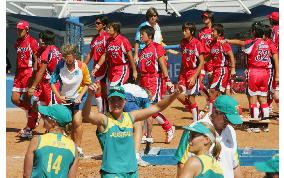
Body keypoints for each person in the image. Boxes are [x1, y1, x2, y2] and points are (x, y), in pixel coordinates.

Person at [82, 84, 181, 177]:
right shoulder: (104, 120)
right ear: (108, 102)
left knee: (138, 124)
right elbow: (86, 115)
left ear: (125, 101)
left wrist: (175, 94)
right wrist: (90, 96)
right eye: (112, 100)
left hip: (131, 171)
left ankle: (136, 155)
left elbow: (157, 107)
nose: (116, 103)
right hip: (112, 172)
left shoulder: (130, 117)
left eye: (119, 100)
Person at [175, 95, 243, 178]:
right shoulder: (194, 130)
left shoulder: (231, 131)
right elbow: (182, 164)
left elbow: (235, 165)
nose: (228, 123)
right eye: (226, 119)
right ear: (216, 112)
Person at [222, 22, 279, 121]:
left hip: (254, 72)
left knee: (253, 100)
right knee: (263, 99)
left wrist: (227, 40)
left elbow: (241, 43)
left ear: (254, 32)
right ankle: (265, 124)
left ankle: (254, 125)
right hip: (264, 73)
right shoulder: (267, 43)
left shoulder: (253, 42)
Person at [50, 44, 92, 157]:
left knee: (77, 122)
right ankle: (65, 147)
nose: (66, 60)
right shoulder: (59, 66)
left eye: (68, 56)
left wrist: (80, 96)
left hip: (78, 98)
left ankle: (78, 148)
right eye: (64, 57)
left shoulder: (82, 66)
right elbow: (52, 82)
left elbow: (87, 83)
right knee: (62, 124)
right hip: (64, 99)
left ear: (74, 55)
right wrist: (59, 96)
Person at [138, 25, 175, 144]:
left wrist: (168, 80)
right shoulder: (142, 51)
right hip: (144, 80)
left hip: (154, 79)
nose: (140, 36)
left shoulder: (156, 47)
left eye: (142, 34)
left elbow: (162, 64)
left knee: (151, 109)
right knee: (146, 109)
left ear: (149, 36)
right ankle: (146, 134)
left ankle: (168, 128)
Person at [23, 104, 78, 178]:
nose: (42, 117)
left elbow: (26, 175)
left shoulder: (37, 141)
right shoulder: (73, 147)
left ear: (53, 122)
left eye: (45, 116)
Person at [12, 20, 40, 139]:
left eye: (21, 29)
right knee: (15, 99)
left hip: (28, 72)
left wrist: (34, 75)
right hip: (19, 73)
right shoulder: (18, 42)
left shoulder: (32, 42)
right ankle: (35, 114)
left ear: (27, 30)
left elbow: (36, 60)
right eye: (18, 29)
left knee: (27, 99)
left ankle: (29, 127)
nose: (19, 31)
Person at [27, 30, 62, 114]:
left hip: (50, 84)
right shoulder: (56, 49)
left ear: (46, 39)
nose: (40, 40)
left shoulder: (46, 52)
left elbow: (41, 71)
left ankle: (61, 125)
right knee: (42, 107)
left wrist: (33, 86)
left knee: (53, 110)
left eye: (42, 38)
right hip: (52, 82)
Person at [176, 22, 205, 122]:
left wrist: (194, 77)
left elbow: (201, 62)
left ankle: (196, 121)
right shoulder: (183, 42)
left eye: (186, 30)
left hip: (193, 72)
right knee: (177, 94)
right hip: (183, 72)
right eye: (183, 30)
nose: (183, 32)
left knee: (191, 99)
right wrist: (180, 75)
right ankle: (197, 113)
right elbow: (182, 58)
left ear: (192, 31)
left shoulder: (197, 43)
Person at [94, 22, 137, 87]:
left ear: (116, 29)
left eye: (109, 28)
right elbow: (105, 55)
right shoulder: (108, 41)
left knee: (115, 88)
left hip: (121, 68)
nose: (107, 29)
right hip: (112, 69)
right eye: (107, 28)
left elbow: (130, 56)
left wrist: (134, 71)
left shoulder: (123, 40)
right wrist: (97, 67)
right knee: (116, 91)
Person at [207, 24, 236, 114]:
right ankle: (230, 111)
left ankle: (211, 115)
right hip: (217, 70)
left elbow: (231, 55)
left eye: (213, 31)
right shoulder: (212, 43)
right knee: (223, 94)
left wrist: (233, 69)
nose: (211, 33)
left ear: (219, 33)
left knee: (212, 92)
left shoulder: (223, 43)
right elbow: (210, 56)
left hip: (222, 70)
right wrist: (200, 62)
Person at [84, 15, 109, 113]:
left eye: (98, 23)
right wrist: (84, 65)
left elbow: (106, 54)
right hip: (97, 67)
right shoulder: (95, 38)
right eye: (96, 23)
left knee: (98, 88)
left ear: (104, 25)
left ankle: (101, 111)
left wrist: (98, 66)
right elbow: (90, 53)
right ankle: (105, 111)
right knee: (102, 91)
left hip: (104, 67)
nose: (96, 25)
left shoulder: (106, 37)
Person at [198, 10, 215, 109]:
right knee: (199, 84)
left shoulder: (215, 30)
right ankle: (209, 99)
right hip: (202, 60)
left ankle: (213, 104)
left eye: (206, 17)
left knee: (212, 85)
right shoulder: (201, 31)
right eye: (203, 17)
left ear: (211, 18)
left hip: (212, 60)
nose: (204, 19)